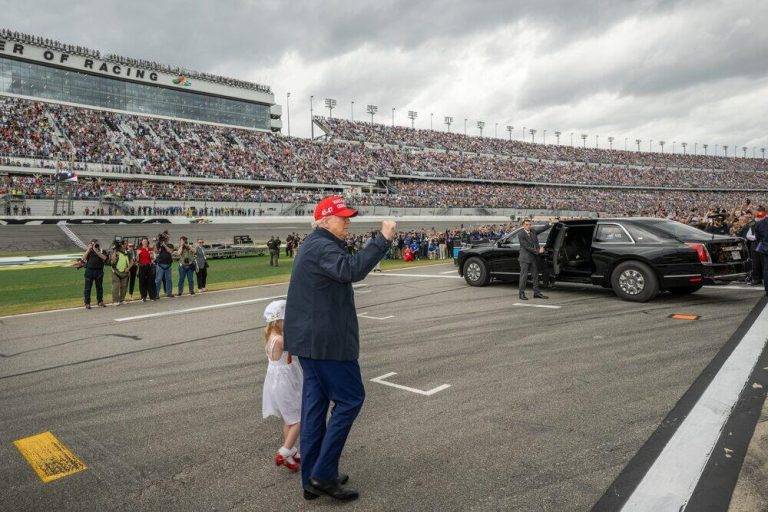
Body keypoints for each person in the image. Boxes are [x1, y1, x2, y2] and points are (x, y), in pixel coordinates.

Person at [284, 195, 396, 502]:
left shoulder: (316, 244)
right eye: (342, 217)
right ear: (323, 220)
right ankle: (322, 473)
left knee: (315, 408)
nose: (347, 221)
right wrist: (383, 239)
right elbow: (351, 269)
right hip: (327, 342)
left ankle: (313, 477)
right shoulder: (322, 246)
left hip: (312, 341)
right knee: (350, 399)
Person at [261, 299, 303, 473]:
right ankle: (284, 452)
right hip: (286, 381)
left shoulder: (271, 336)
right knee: (300, 418)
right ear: (278, 321)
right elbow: (298, 346)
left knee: (289, 418)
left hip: (276, 380)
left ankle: (291, 451)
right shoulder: (280, 340)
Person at [517, 219, 548, 300]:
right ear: (523, 225)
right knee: (523, 277)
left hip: (533, 258)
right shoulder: (521, 234)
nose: (528, 226)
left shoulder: (533, 231)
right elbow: (526, 246)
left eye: (529, 224)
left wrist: (550, 224)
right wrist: (538, 251)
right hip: (525, 258)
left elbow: (542, 229)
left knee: (535, 276)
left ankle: (536, 293)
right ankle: (521, 294)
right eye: (526, 224)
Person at [82, 239, 107, 309]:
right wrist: (89, 249)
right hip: (89, 271)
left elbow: (104, 258)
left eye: (96, 244)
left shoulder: (102, 250)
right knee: (87, 288)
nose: (95, 245)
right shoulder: (89, 251)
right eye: (93, 244)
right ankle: (87, 303)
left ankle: (100, 301)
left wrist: (96, 250)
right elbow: (83, 259)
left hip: (99, 271)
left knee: (99, 287)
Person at [109, 239, 131, 305]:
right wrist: (115, 252)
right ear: (122, 245)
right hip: (115, 271)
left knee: (124, 286)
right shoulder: (116, 252)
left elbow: (132, 261)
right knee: (116, 286)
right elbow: (112, 261)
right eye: (125, 244)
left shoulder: (127, 253)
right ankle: (115, 301)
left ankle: (122, 299)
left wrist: (128, 268)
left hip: (125, 271)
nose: (127, 245)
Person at [154, 231, 174, 298]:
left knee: (169, 280)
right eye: (165, 236)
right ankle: (156, 294)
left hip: (168, 265)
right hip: (160, 265)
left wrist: (164, 245)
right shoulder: (159, 244)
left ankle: (169, 293)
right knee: (158, 280)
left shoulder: (170, 245)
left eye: (167, 236)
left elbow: (170, 251)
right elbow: (156, 252)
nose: (166, 238)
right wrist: (157, 242)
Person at [753, 210, 768, 296]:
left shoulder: (759, 224)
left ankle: (767, 289)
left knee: (766, 269)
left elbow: (758, 238)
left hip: (766, 248)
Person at [136, 237, 155, 302]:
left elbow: (152, 258)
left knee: (150, 281)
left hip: (149, 266)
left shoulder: (150, 249)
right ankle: (143, 296)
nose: (145, 243)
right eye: (143, 241)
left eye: (146, 241)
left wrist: (151, 254)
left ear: (147, 242)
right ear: (141, 242)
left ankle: (152, 296)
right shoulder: (139, 249)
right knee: (142, 282)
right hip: (142, 266)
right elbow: (137, 260)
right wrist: (138, 255)